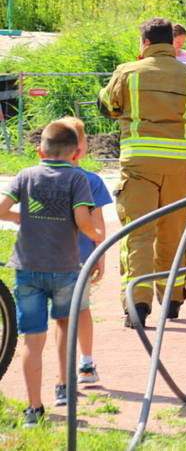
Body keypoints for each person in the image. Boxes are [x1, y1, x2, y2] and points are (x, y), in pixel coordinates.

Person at [99, 17, 186, 328]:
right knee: (173, 233)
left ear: (145, 43)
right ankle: (172, 298)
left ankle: (138, 305)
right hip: (180, 166)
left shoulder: (127, 72)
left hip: (139, 164)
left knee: (138, 235)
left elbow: (107, 105)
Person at [0, 121, 103, 428]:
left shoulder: (26, 175)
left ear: (38, 150)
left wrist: (26, 219)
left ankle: (33, 409)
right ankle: (64, 385)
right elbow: (82, 219)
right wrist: (97, 235)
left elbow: (2, 209)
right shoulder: (77, 178)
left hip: (27, 268)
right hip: (64, 268)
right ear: (76, 154)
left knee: (32, 339)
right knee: (65, 326)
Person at [56, 116, 111, 387]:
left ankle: (65, 371)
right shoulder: (92, 181)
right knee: (80, 310)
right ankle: (85, 363)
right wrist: (100, 254)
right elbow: (98, 224)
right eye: (85, 138)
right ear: (78, 148)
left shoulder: (42, 177)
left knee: (61, 315)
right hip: (79, 259)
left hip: (49, 258)